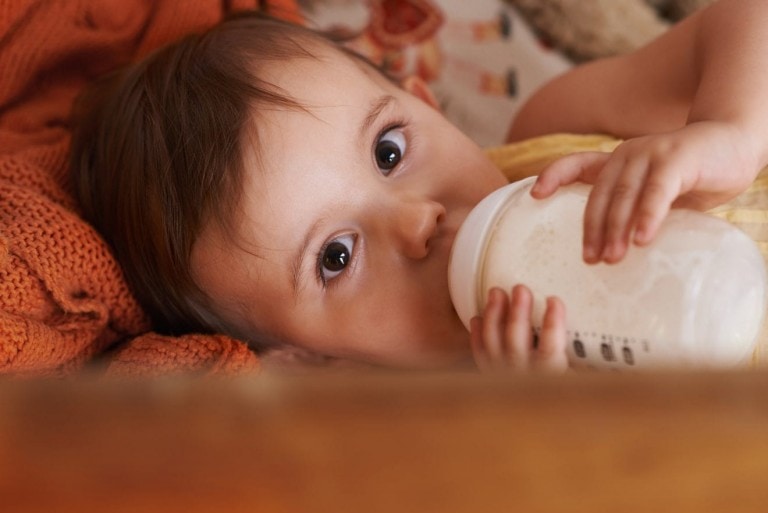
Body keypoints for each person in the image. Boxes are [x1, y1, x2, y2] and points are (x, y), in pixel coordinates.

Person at [71, 0, 768, 373]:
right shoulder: (446, 442)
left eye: (389, 149)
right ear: (306, 357)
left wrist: (729, 129)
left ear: (425, 98)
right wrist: (559, 438)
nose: (415, 221)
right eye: (335, 257)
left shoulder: (555, 129)